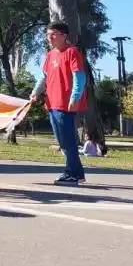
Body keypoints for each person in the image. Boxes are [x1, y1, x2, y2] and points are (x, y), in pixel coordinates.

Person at [30, 21, 87, 186]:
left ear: (64, 35)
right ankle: (77, 173)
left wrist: (74, 97)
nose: (49, 38)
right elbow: (43, 77)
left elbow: (79, 77)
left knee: (67, 141)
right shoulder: (50, 55)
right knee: (62, 141)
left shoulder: (72, 52)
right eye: (48, 35)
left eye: (53, 34)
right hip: (52, 103)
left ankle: (71, 173)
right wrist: (35, 93)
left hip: (65, 104)